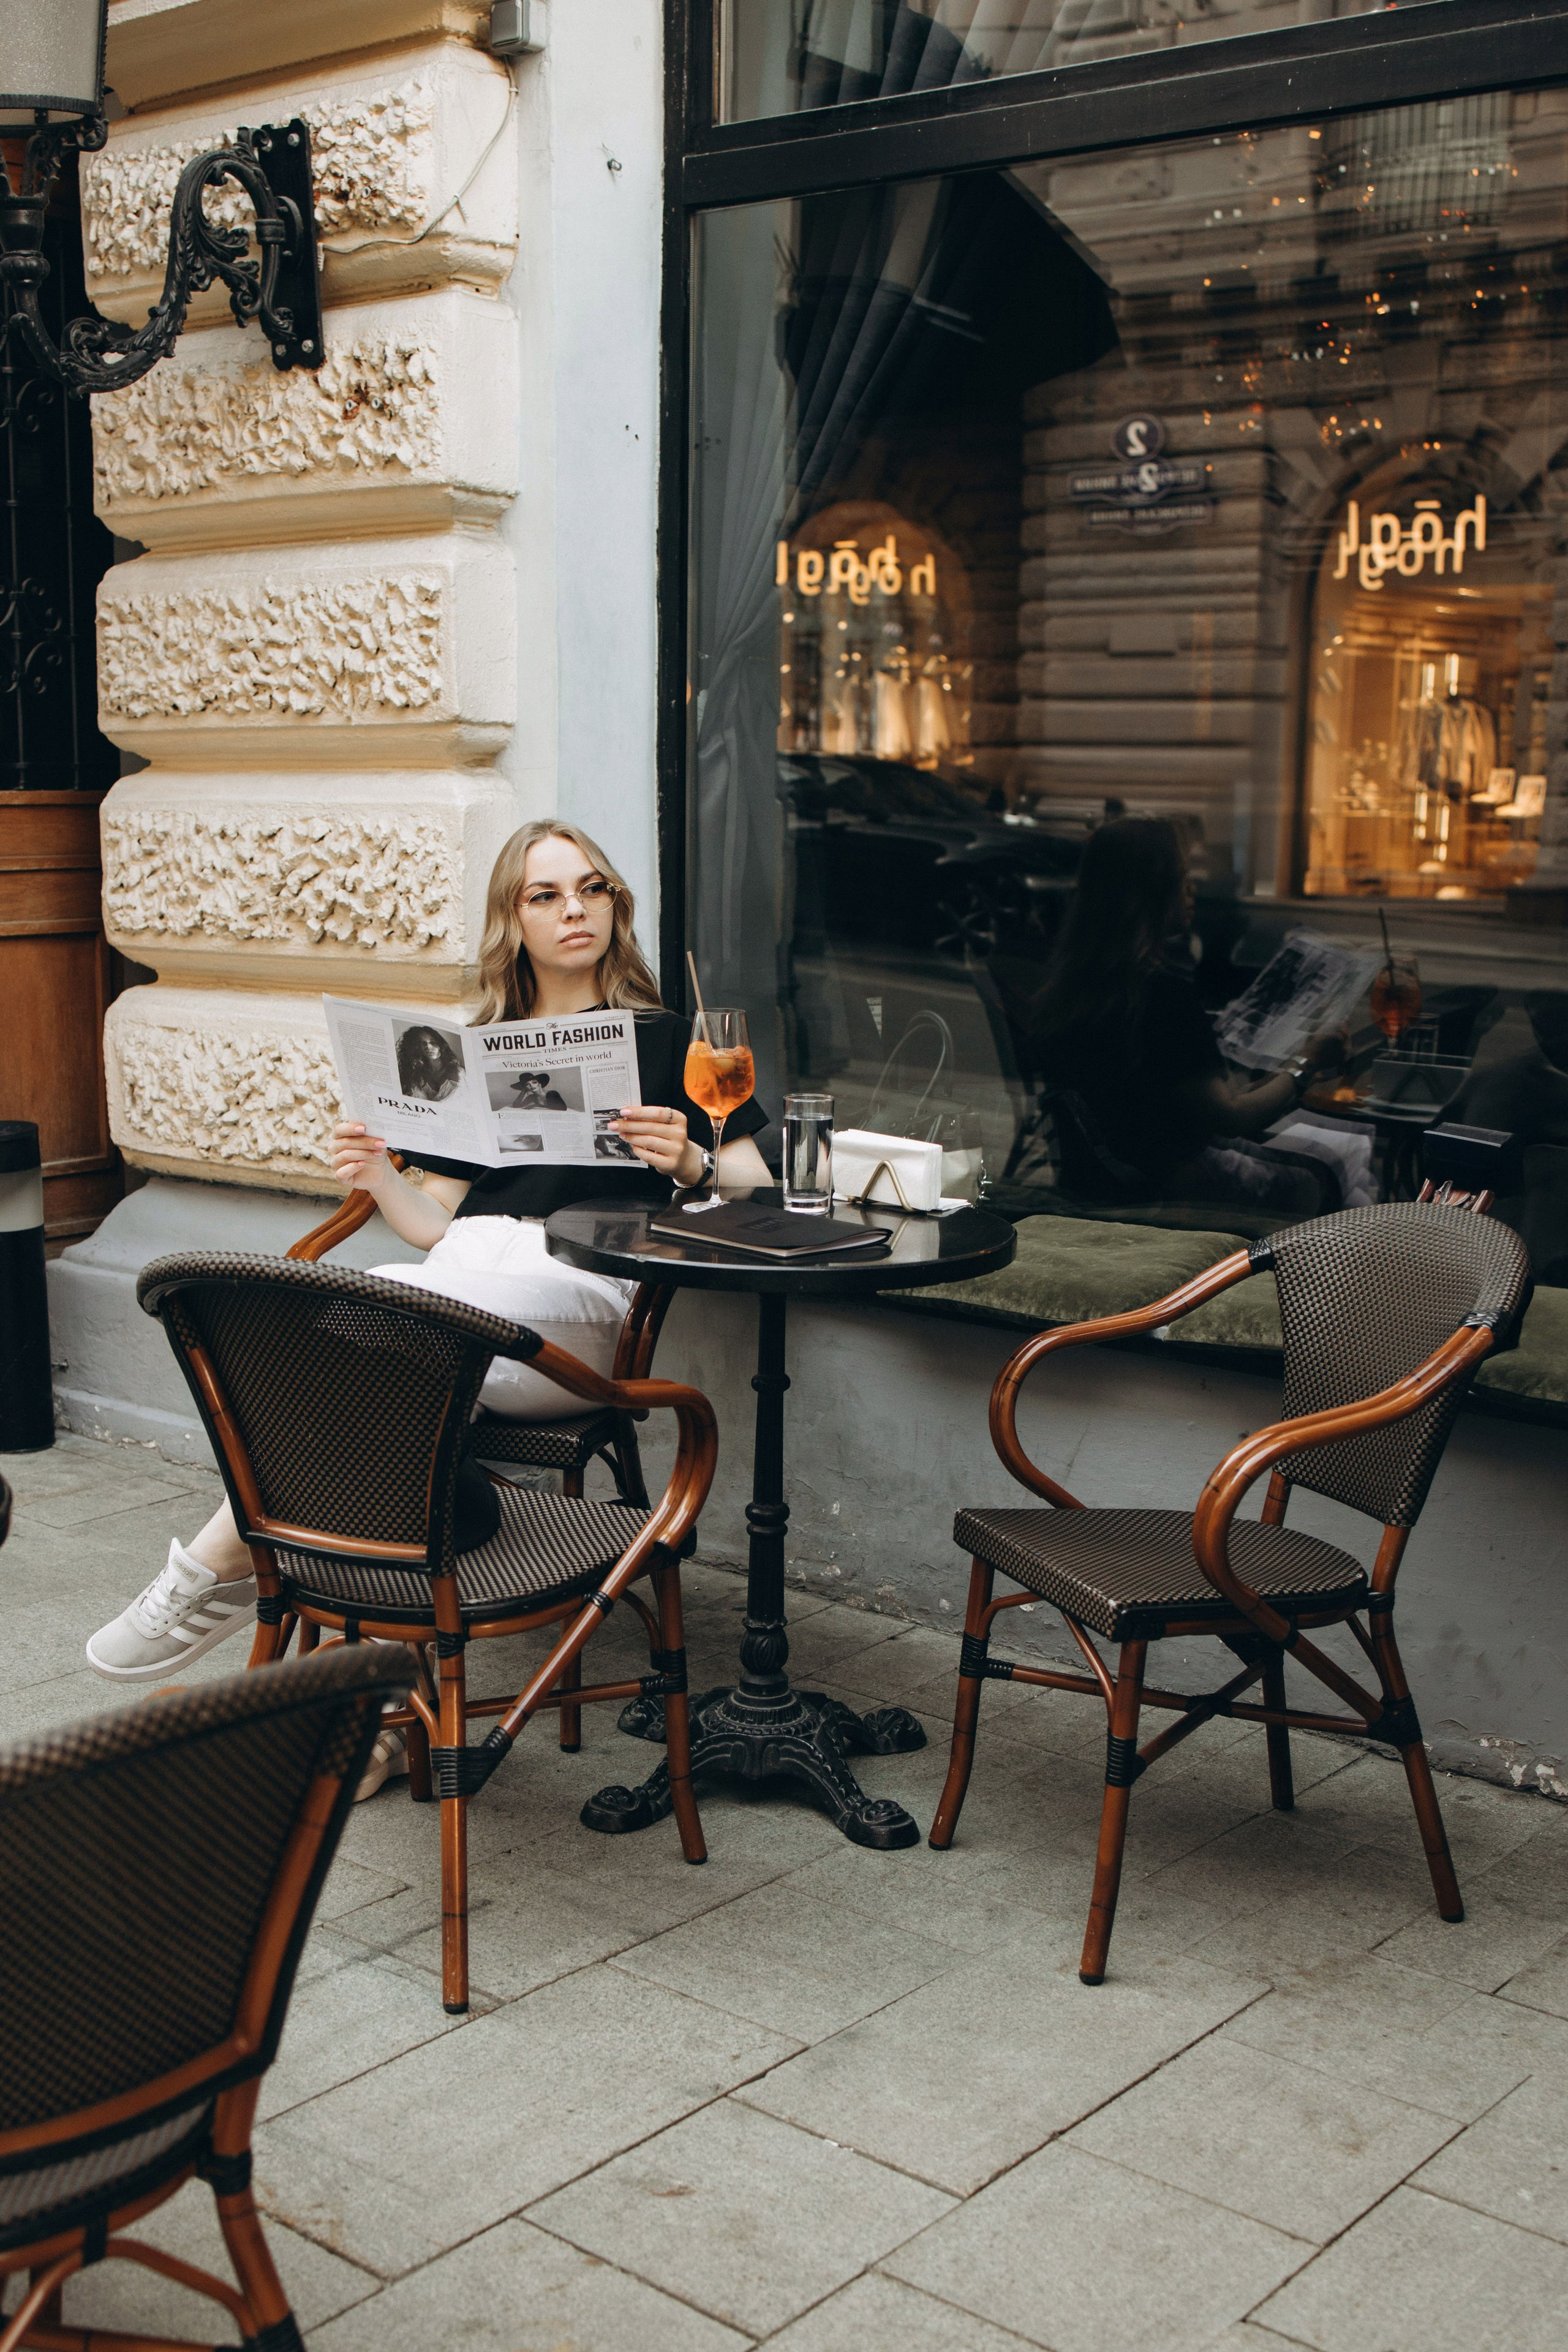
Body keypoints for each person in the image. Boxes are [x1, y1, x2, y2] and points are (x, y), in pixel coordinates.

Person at [86, 822, 772, 1793]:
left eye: (591, 889)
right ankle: (384, 1691)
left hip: (574, 1297)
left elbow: (758, 1187)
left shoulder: (673, 1043)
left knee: (362, 1330)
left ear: (616, 907)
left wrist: (693, 1161)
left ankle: (223, 1561)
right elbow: (430, 1224)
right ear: (513, 920)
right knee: (358, 1344)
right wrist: (377, 1173)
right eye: (545, 895)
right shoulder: (480, 1056)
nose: (573, 909)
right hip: (459, 1279)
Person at [1031, 816, 1343, 1213]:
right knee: (1322, 1174)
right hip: (1173, 1185)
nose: (1191, 890)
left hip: (1112, 1179)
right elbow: (1229, 1117)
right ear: (1150, 892)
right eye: (1181, 878)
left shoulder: (1073, 987)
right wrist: (1305, 1067)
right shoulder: (1160, 992)